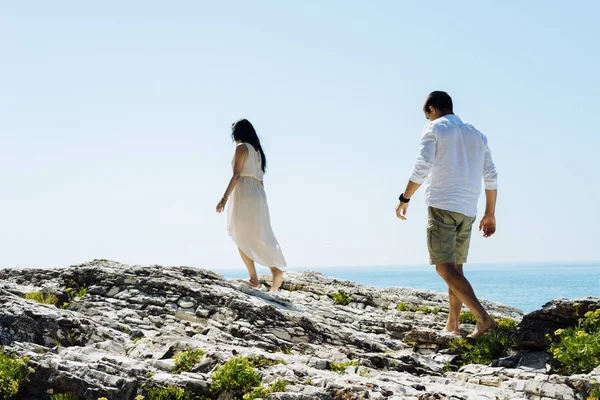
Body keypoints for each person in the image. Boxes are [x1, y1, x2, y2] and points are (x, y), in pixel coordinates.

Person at [396, 91, 498, 338]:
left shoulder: (435, 129)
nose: (427, 119)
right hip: (468, 210)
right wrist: (490, 213)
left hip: (443, 205)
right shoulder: (477, 134)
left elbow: (422, 166)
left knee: (444, 268)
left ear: (432, 109)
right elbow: (491, 175)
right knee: (456, 270)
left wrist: (405, 197)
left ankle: (483, 320)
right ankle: (453, 325)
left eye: (427, 115)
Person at [216, 119, 287, 292]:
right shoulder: (258, 152)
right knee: (257, 233)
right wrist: (262, 201)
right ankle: (271, 271)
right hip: (258, 193)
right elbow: (261, 180)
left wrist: (224, 198)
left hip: (245, 192)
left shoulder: (242, 148)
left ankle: (261, 276)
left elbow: (236, 175)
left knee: (240, 234)